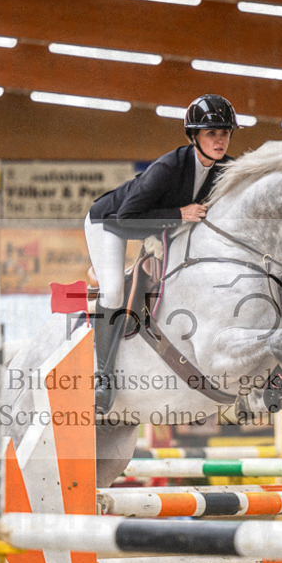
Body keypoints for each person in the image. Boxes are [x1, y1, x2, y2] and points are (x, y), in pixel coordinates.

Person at [85, 93, 239, 414]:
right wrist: (179, 215)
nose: (220, 140)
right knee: (113, 290)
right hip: (109, 222)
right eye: (211, 133)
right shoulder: (169, 167)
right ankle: (103, 376)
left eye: (225, 132)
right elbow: (126, 219)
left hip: (157, 228)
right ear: (194, 136)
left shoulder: (226, 169)